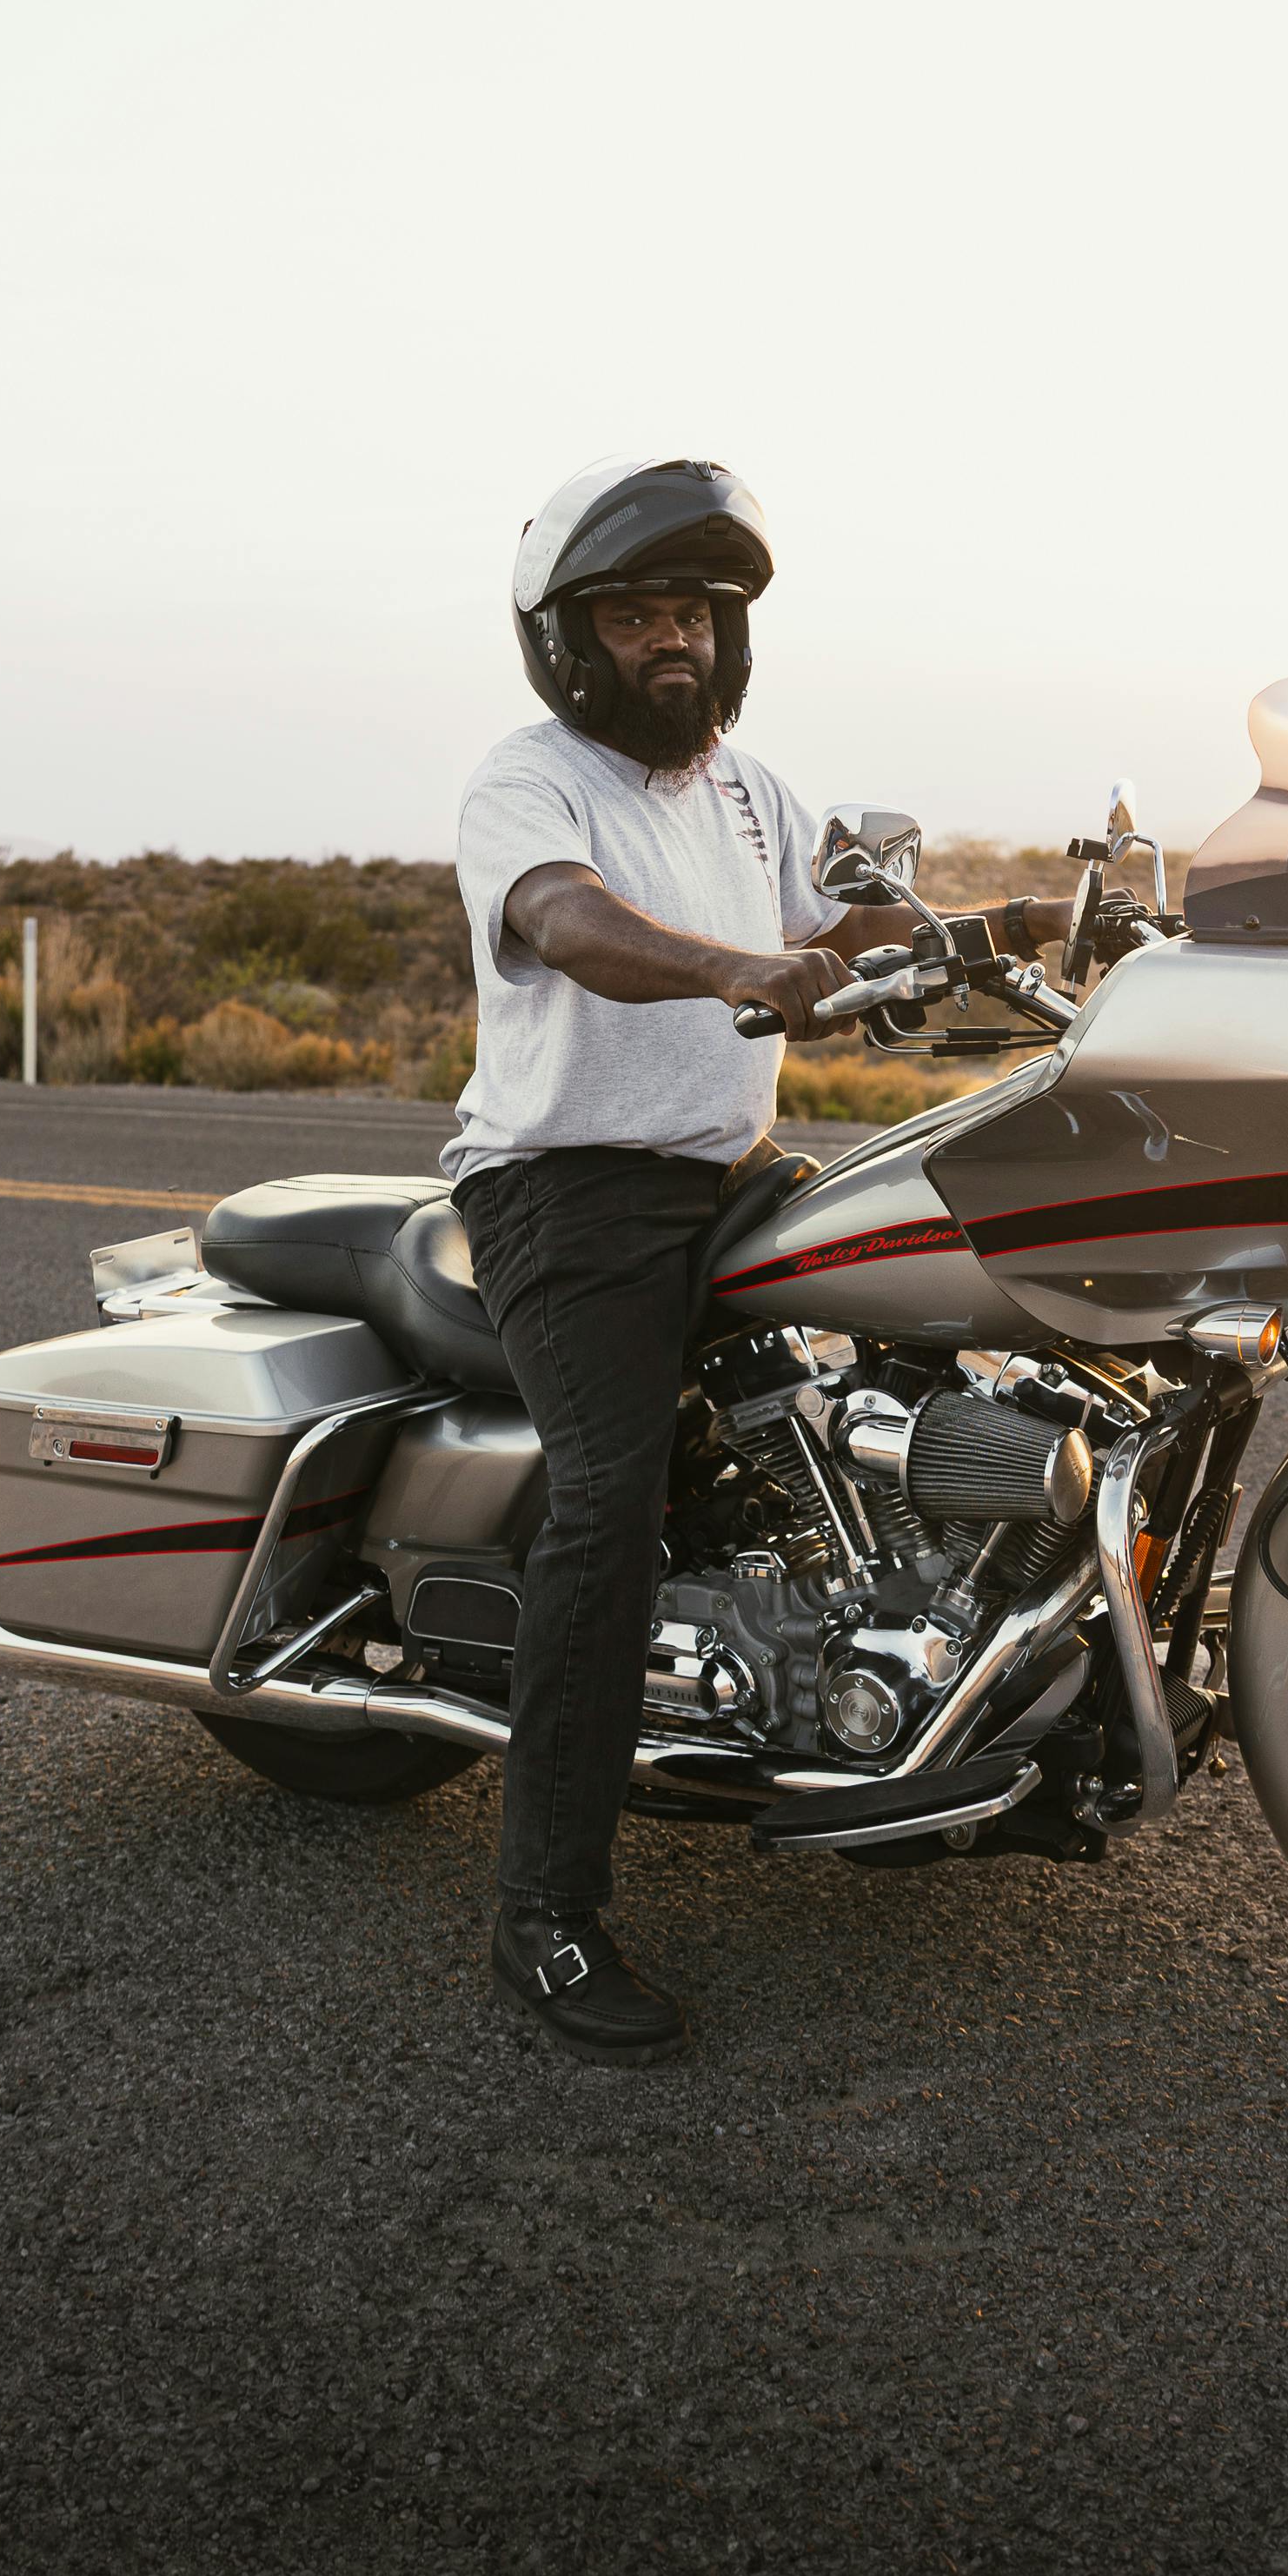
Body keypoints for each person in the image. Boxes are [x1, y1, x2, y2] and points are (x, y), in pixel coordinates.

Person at [443, 456, 1072, 2064]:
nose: (672, 643)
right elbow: (570, 924)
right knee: (610, 1499)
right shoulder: (529, 783)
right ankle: (545, 1915)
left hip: (729, 1175)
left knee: (942, 1303)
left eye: (693, 617)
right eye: (638, 615)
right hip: (567, 1195)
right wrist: (741, 969)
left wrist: (1020, 929)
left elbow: (850, 930)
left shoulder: (748, 789)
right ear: (569, 637)